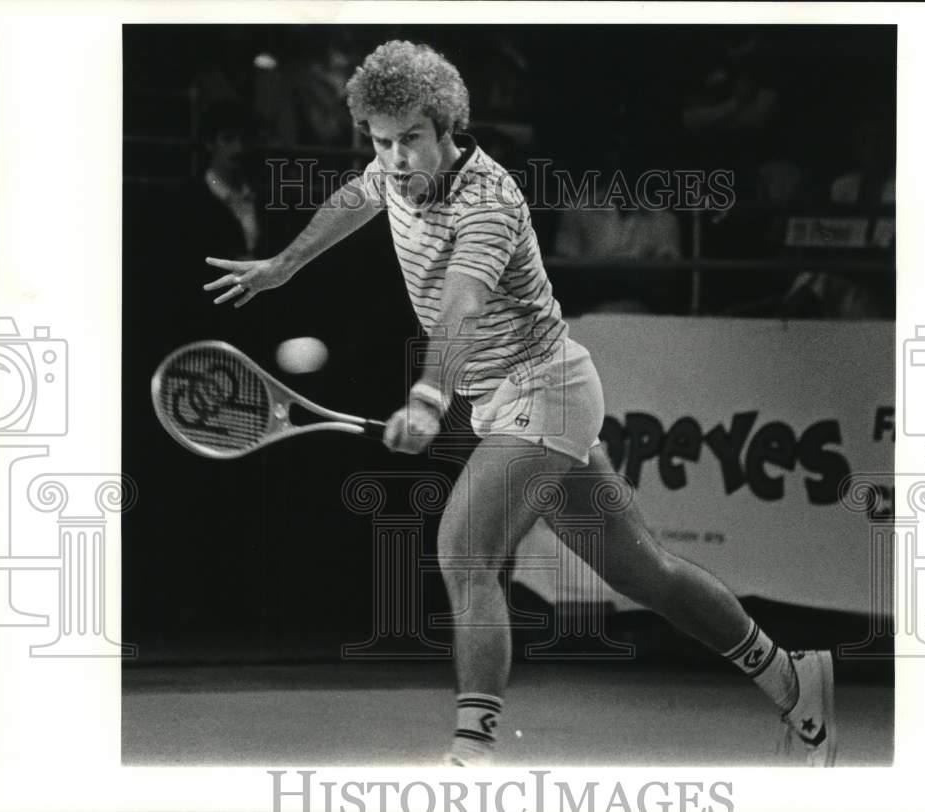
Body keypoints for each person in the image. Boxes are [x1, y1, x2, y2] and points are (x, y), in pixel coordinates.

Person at [204, 40, 836, 767]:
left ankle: (471, 756)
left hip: (547, 388)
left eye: (411, 139)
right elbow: (358, 195)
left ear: (448, 128)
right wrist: (285, 264)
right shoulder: (392, 166)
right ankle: (793, 677)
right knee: (644, 574)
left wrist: (425, 396)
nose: (397, 158)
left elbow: (462, 308)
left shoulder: (488, 203)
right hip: (504, 401)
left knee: (465, 551)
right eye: (382, 142)